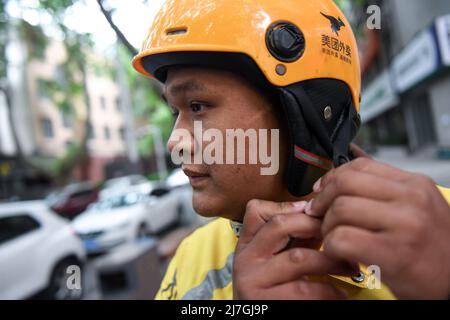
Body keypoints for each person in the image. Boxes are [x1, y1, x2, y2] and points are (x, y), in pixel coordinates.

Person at [132, 0, 450, 300]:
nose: (174, 142)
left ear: (304, 115)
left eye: (197, 106)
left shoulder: (439, 223)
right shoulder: (190, 257)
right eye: (176, 113)